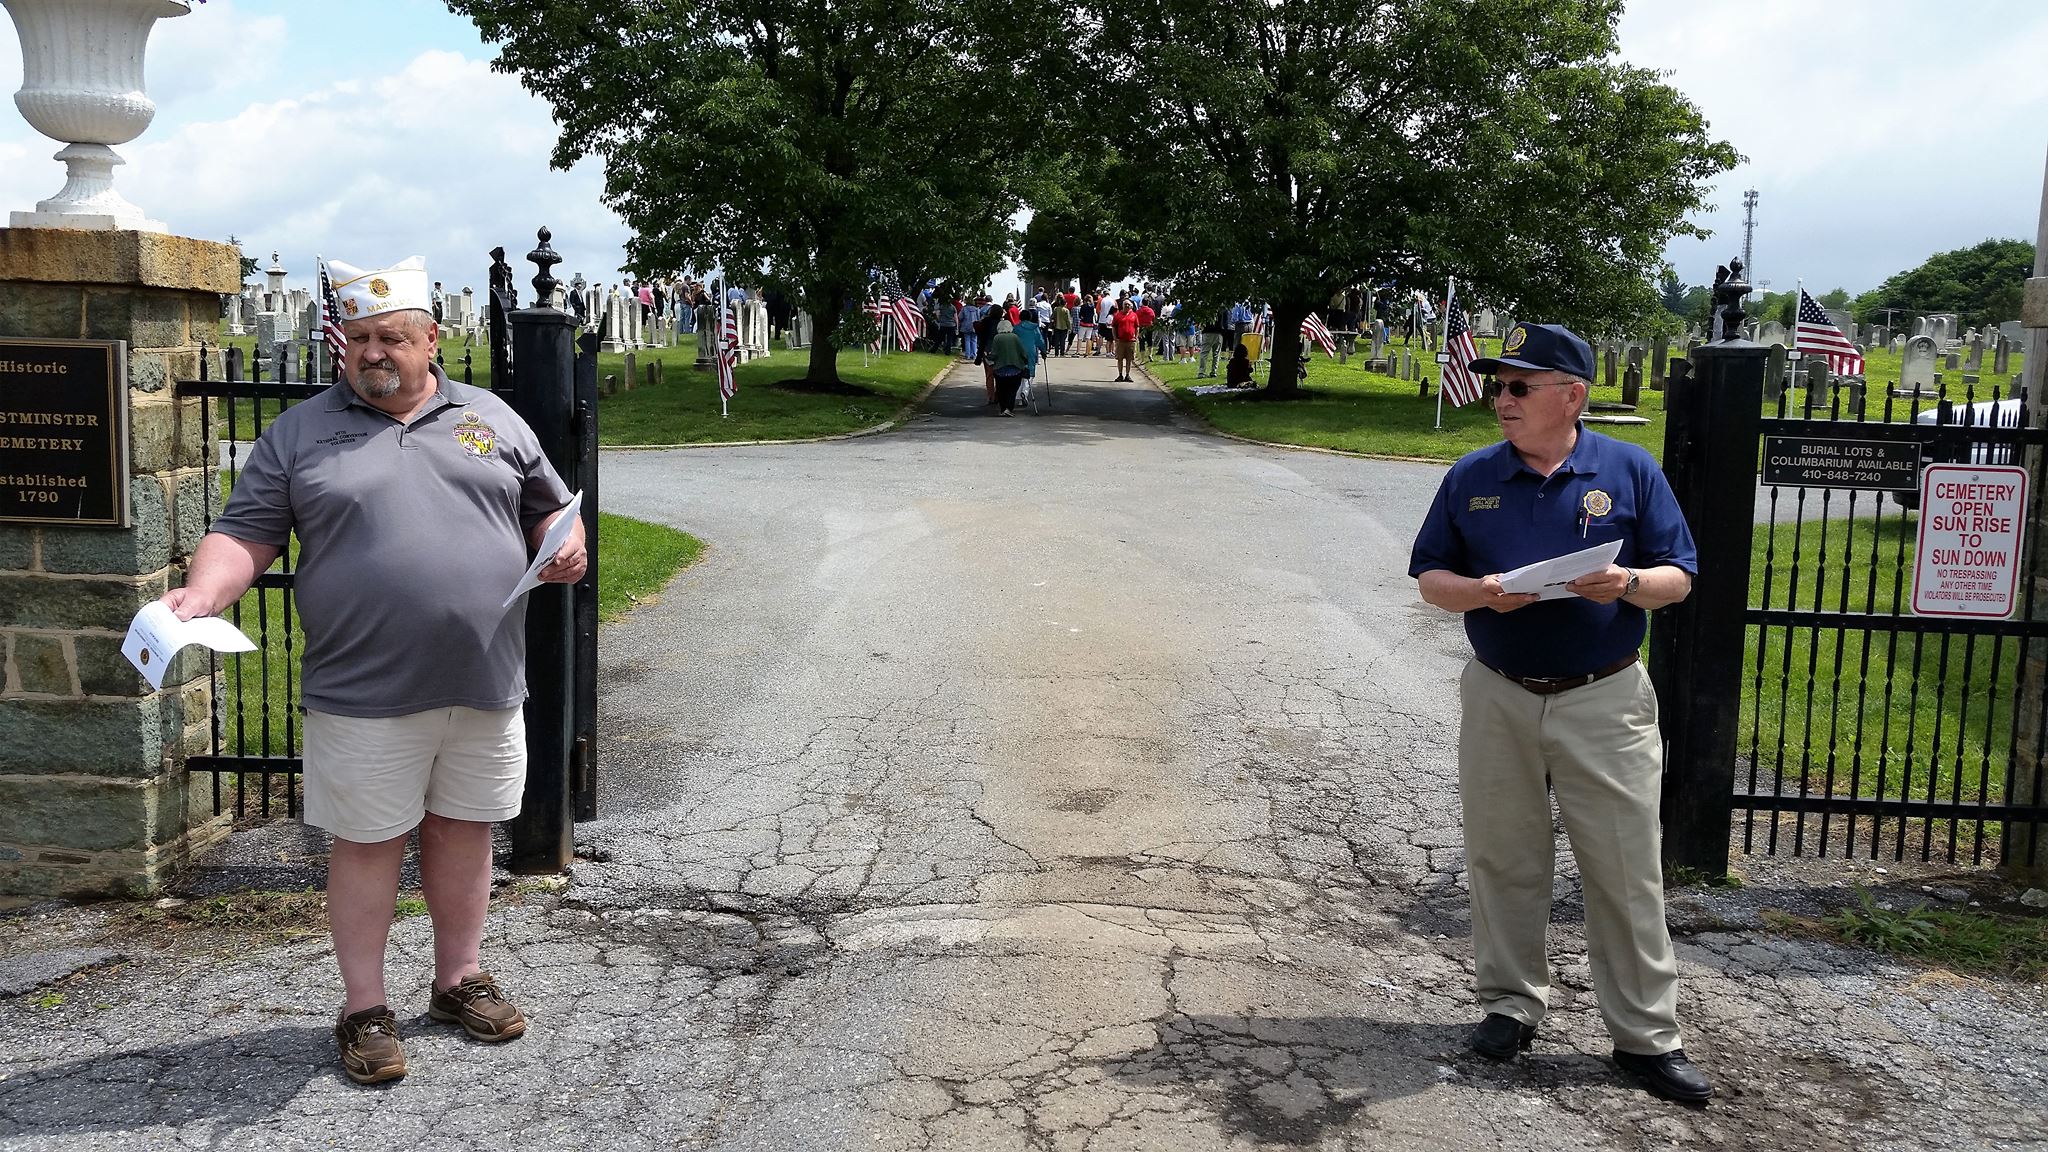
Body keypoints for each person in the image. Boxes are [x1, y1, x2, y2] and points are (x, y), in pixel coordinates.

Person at [160, 255, 586, 1087]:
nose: (372, 352)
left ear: (431, 341)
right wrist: (204, 592)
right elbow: (245, 533)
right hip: (362, 690)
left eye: (391, 337)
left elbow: (547, 509)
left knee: (465, 829)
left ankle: (458, 980)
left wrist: (564, 546)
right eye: (358, 338)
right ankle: (364, 1009)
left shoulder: (491, 418)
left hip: (483, 678)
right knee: (367, 844)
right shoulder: (300, 434)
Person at [1406, 322, 1710, 1104]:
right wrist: (1482, 593)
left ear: (1571, 396)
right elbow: (1432, 578)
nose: (1501, 399)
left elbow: (1678, 576)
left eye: (1519, 386)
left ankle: (1646, 1037)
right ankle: (1509, 1005)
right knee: (1502, 856)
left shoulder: (1629, 469)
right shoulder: (1472, 476)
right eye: (1498, 386)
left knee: (1625, 868)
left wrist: (1628, 583)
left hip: (1604, 696)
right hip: (1500, 691)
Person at [988, 317, 1028, 415]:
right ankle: (1009, 408)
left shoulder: (997, 338)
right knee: (1012, 390)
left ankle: (1003, 409)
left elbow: (994, 354)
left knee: (1001, 389)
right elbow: (1022, 352)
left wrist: (988, 357)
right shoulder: (1015, 337)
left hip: (1000, 369)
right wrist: (1025, 361)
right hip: (1015, 367)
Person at [1112, 299, 1141, 382]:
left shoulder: (1134, 315)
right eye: (1125, 304)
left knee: (1129, 359)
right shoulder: (1118, 315)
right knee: (1120, 358)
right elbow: (1113, 327)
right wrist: (1115, 338)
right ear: (1122, 306)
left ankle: (1127, 375)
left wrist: (1136, 337)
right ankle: (1120, 375)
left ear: (1131, 306)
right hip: (1120, 341)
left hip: (1131, 341)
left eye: (1128, 304)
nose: (1127, 306)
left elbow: (1137, 327)